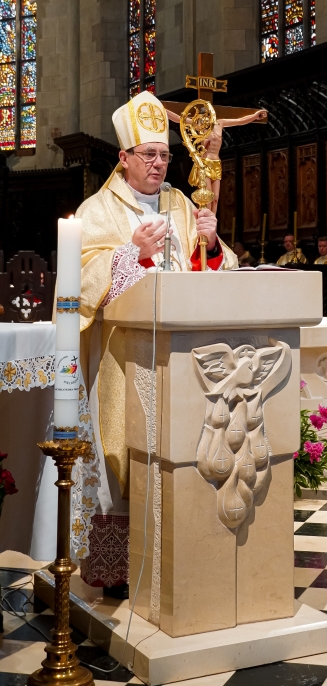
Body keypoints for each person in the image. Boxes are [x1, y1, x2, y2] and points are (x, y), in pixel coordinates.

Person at [75, 91, 238, 591]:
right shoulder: (97, 210)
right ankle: (119, 574)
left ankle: (179, 562)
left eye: (165, 155)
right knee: (124, 453)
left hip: (181, 359)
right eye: (148, 154)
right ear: (123, 157)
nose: (158, 164)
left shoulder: (181, 204)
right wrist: (130, 253)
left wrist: (211, 244)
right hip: (123, 360)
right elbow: (81, 280)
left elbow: (213, 270)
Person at [166, 106, 267, 213]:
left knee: (215, 198)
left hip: (216, 163)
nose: (207, 118)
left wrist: (255, 116)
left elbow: (240, 121)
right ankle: (206, 218)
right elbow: (179, 119)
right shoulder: (199, 124)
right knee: (207, 197)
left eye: (209, 115)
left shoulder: (219, 123)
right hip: (205, 163)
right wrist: (163, 109)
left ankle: (213, 220)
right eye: (205, 115)